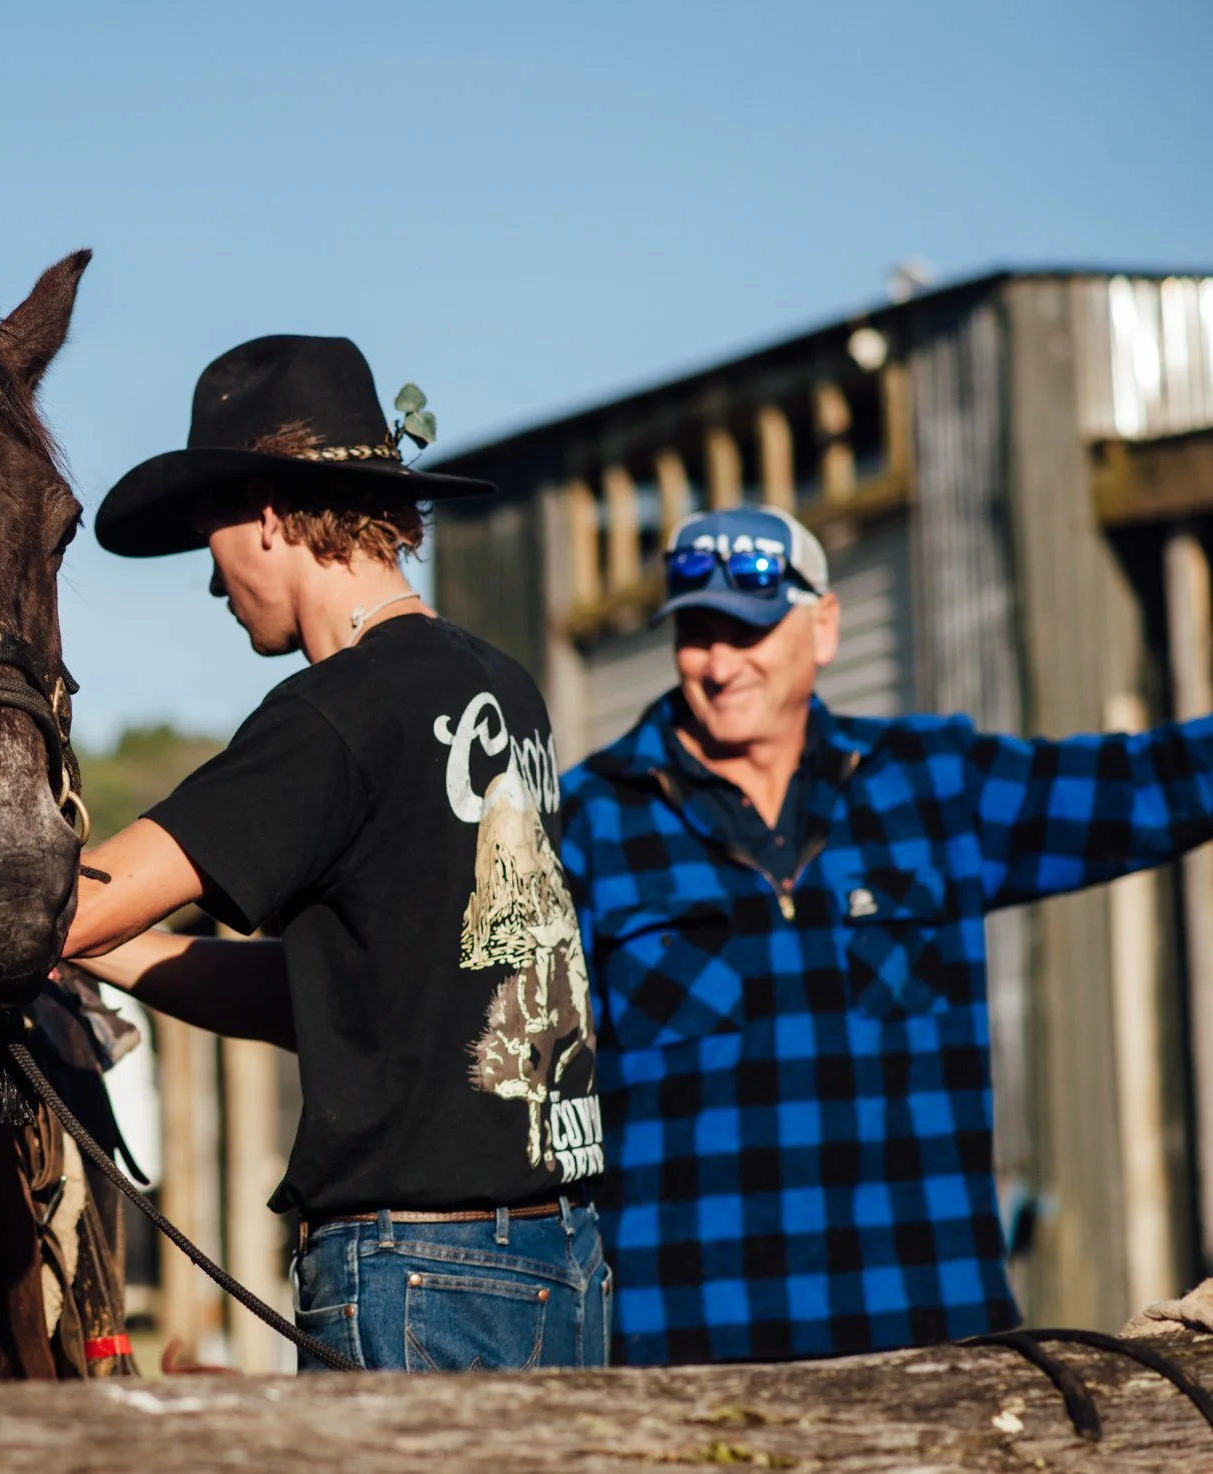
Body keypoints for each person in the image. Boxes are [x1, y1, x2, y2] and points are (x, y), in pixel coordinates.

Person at [65, 335, 610, 1372]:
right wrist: (114, 956)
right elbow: (347, 1003)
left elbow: (74, 902)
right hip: (561, 1248)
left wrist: (7, 909)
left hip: (416, 1266)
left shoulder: (333, 711)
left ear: (268, 516)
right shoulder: (500, 686)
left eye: (211, 538)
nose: (216, 587)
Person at [563, 505, 1213, 1365]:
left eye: (747, 629)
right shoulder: (587, 820)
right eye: (695, 632)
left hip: (934, 1336)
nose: (719, 664)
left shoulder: (931, 784)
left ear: (823, 628)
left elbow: (1139, 788)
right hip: (692, 1352)